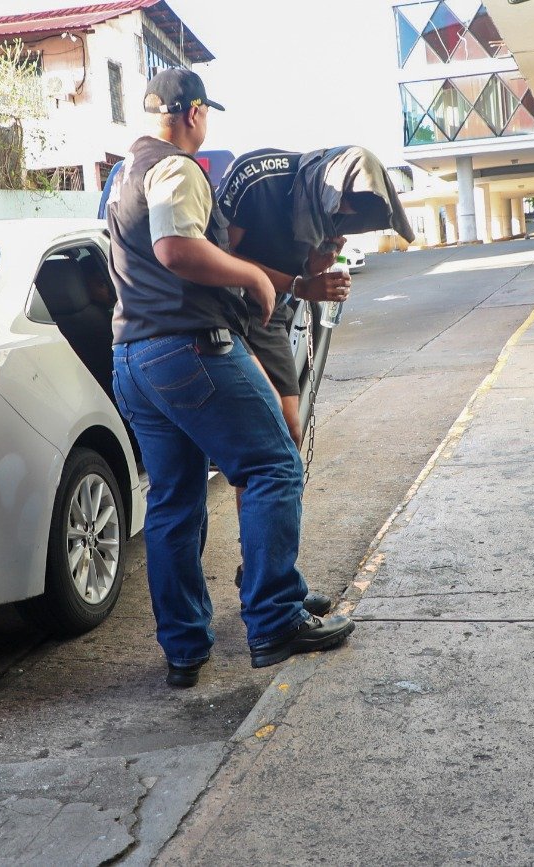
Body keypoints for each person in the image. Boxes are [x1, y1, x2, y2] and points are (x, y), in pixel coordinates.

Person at [106, 68, 355, 690]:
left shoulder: (120, 176)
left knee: (174, 499)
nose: (206, 123)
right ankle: (274, 619)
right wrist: (251, 277)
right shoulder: (176, 168)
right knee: (273, 465)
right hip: (188, 348)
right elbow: (175, 250)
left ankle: (185, 649)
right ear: (192, 113)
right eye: (205, 113)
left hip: (134, 357)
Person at [216, 145, 415, 612]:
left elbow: (310, 267)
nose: (341, 223)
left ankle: (263, 571)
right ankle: (267, 588)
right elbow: (218, 255)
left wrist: (323, 267)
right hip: (228, 311)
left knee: (286, 433)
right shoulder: (259, 179)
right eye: (340, 215)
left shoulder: (338, 212)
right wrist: (300, 286)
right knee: (269, 446)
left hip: (275, 316)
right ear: (328, 189)